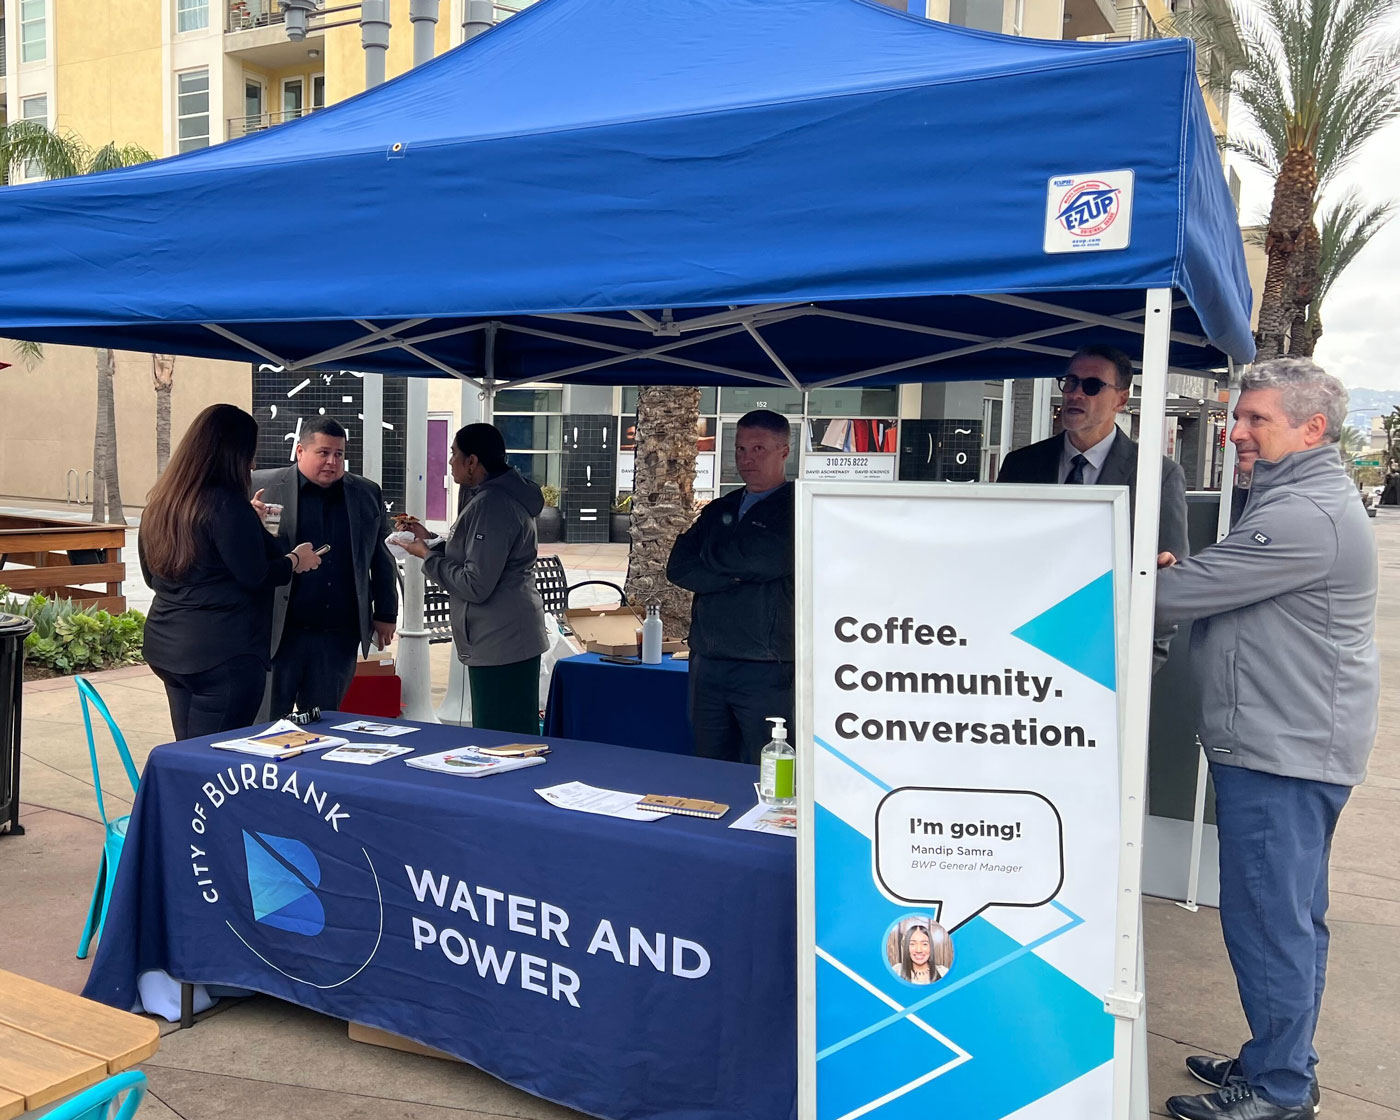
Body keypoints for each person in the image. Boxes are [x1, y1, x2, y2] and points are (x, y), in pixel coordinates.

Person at [1154, 359, 1378, 1120]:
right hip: (1288, 742)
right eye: (1237, 415)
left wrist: (1129, 574)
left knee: (1268, 921)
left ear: (1312, 429)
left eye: (1257, 420)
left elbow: (1181, 594)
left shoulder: (1302, 514)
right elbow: (1221, 581)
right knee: (1290, 918)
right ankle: (1280, 1060)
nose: (1236, 431)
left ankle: (1280, 1090)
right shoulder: (1297, 500)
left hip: (1283, 752)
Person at [998, 343, 1189, 666]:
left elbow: (1169, 583)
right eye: (1071, 382)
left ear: (1121, 399)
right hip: (1021, 648)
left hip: (1107, 657)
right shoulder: (1022, 465)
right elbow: (997, 554)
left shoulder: (1157, 475)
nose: (1075, 394)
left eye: (1091, 386)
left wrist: (1140, 667)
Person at [139, 404, 323, 740]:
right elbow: (255, 575)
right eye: (249, 454)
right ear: (233, 453)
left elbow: (152, 577)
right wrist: (296, 560)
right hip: (222, 653)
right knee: (217, 757)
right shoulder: (225, 504)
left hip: (166, 646)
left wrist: (252, 526)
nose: (252, 464)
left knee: (189, 750)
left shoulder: (161, 503)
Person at [399, 423, 549, 734]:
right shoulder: (494, 497)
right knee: (506, 732)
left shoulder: (493, 504)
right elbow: (476, 554)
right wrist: (431, 541)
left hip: (502, 640)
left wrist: (426, 556)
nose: (450, 461)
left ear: (472, 461)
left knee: (502, 739)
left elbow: (475, 583)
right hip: (501, 637)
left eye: (454, 454)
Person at [667, 409, 794, 764]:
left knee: (766, 766)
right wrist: (736, 571)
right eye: (740, 449)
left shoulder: (797, 508)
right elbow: (678, 567)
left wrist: (714, 563)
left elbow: (765, 559)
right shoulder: (720, 508)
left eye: (759, 449)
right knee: (709, 766)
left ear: (784, 451)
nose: (747, 459)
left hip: (767, 666)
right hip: (708, 663)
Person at [252, 417, 398, 718]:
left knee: (324, 724)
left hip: (336, 637)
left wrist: (385, 613)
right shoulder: (261, 488)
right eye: (324, 453)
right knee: (265, 724)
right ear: (300, 451)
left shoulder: (366, 493)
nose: (332, 461)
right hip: (278, 633)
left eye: (339, 454)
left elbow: (380, 556)